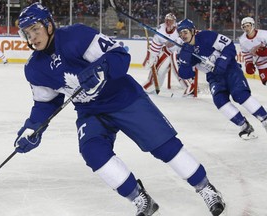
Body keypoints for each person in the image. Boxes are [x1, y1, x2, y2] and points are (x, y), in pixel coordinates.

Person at [15, 3, 225, 216]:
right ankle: (139, 198)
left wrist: (101, 68)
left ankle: (206, 188)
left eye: (35, 29)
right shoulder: (34, 68)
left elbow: (120, 56)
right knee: (93, 152)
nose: (32, 37)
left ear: (49, 25)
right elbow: (45, 103)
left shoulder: (76, 36)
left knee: (165, 146)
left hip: (124, 99)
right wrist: (31, 128)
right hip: (91, 111)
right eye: (27, 33)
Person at [177, 18, 267, 140]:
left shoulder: (206, 36)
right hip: (213, 77)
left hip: (230, 69)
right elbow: (185, 74)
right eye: (180, 33)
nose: (183, 35)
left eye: (185, 32)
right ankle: (244, 126)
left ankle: (264, 119)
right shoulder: (184, 51)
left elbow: (229, 45)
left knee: (240, 94)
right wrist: (186, 60)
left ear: (193, 31)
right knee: (220, 101)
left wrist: (222, 63)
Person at [142, 13, 195, 96]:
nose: (168, 22)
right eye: (166, 20)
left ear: (174, 22)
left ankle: (189, 85)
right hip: (168, 51)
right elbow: (156, 45)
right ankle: (150, 86)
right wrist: (151, 57)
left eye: (170, 21)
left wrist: (176, 41)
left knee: (175, 61)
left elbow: (187, 37)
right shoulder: (160, 29)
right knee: (159, 68)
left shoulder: (179, 28)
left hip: (181, 52)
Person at [239, 17, 267, 86]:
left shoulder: (264, 34)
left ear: (253, 25)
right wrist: (249, 64)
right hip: (261, 66)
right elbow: (247, 55)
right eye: (244, 27)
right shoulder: (242, 40)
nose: (246, 28)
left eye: (248, 25)